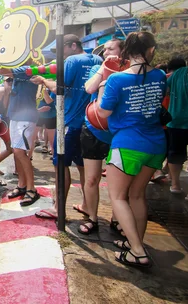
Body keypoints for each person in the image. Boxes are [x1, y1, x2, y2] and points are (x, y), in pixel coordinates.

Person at [97, 31, 166, 268]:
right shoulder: (160, 76)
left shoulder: (117, 80)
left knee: (117, 197)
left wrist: (102, 90)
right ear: (151, 50)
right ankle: (135, 242)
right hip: (156, 143)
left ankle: (137, 251)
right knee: (137, 195)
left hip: (127, 144)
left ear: (126, 51)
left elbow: (103, 113)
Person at [31, 34, 102, 219]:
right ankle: (87, 205)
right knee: (83, 167)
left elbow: (58, 88)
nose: (60, 55)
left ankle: (58, 208)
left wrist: (44, 81)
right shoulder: (97, 59)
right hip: (90, 123)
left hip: (70, 123)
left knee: (60, 165)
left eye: (61, 49)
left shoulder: (71, 61)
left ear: (72, 46)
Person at [77, 37, 124, 235]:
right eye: (104, 50)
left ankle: (118, 218)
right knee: (91, 178)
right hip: (93, 128)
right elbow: (89, 88)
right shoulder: (99, 67)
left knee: (120, 184)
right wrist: (105, 68)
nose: (106, 52)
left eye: (111, 49)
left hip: (119, 132)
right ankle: (92, 217)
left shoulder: (131, 71)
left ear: (123, 51)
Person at [0, 66, 39, 207]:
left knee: (20, 152)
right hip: (15, 117)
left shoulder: (27, 69)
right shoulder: (17, 72)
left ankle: (31, 189)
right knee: (17, 152)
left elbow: (2, 70)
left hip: (25, 118)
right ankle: (22, 185)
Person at [166, 55, 188, 200]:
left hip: (176, 121)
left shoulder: (179, 73)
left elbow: (164, 89)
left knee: (175, 154)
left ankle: (175, 185)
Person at [36, 86, 56, 154]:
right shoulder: (38, 86)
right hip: (38, 115)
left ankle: (52, 152)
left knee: (52, 140)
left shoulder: (53, 85)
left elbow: (49, 101)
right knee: (31, 138)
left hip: (51, 115)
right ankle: (29, 156)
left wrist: (44, 88)